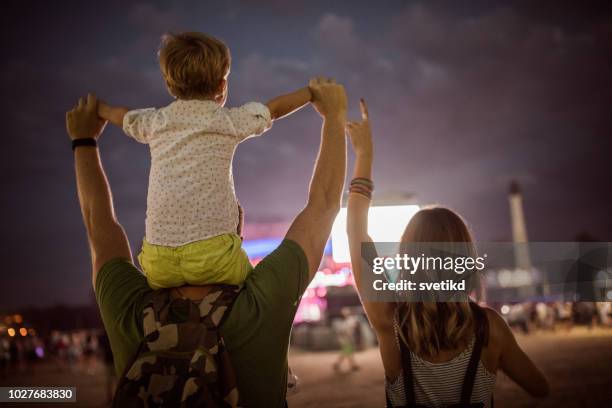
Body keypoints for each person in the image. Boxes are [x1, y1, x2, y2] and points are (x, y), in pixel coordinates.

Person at [65, 76, 347, 406]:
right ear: (236, 229)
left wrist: (83, 142)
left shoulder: (129, 310)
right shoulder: (262, 303)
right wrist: (334, 116)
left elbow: (98, 223)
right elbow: (325, 202)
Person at [345, 99, 550, 407]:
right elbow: (539, 388)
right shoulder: (490, 327)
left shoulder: (391, 321)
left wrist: (365, 155)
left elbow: (356, 232)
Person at [96, 32, 313, 291]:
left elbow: (123, 116)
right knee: (253, 285)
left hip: (158, 263)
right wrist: (311, 92)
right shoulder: (227, 122)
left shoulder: (155, 122)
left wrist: (98, 109)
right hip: (214, 258)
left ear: (169, 84)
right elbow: (273, 109)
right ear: (222, 86)